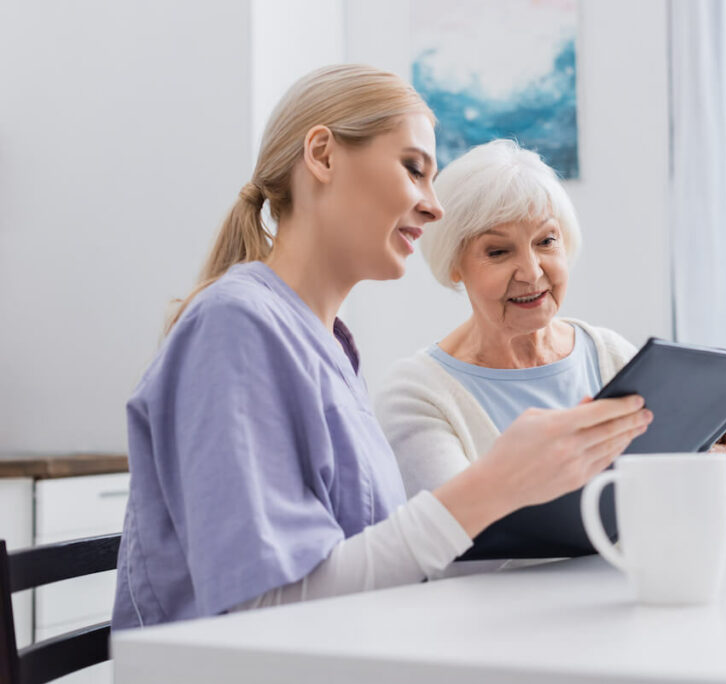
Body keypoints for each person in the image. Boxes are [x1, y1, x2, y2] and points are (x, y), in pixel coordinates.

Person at [112, 66, 652, 629]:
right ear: (321, 154)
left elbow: (366, 568)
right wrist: (495, 485)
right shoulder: (234, 327)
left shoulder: (322, 346)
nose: (435, 206)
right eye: (414, 169)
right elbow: (261, 612)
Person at [375, 140, 726, 513]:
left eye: (546, 241)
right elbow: (451, 543)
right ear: (454, 263)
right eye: (498, 252)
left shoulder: (611, 355)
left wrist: (695, 473)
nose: (532, 272)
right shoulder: (416, 393)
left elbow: (654, 514)